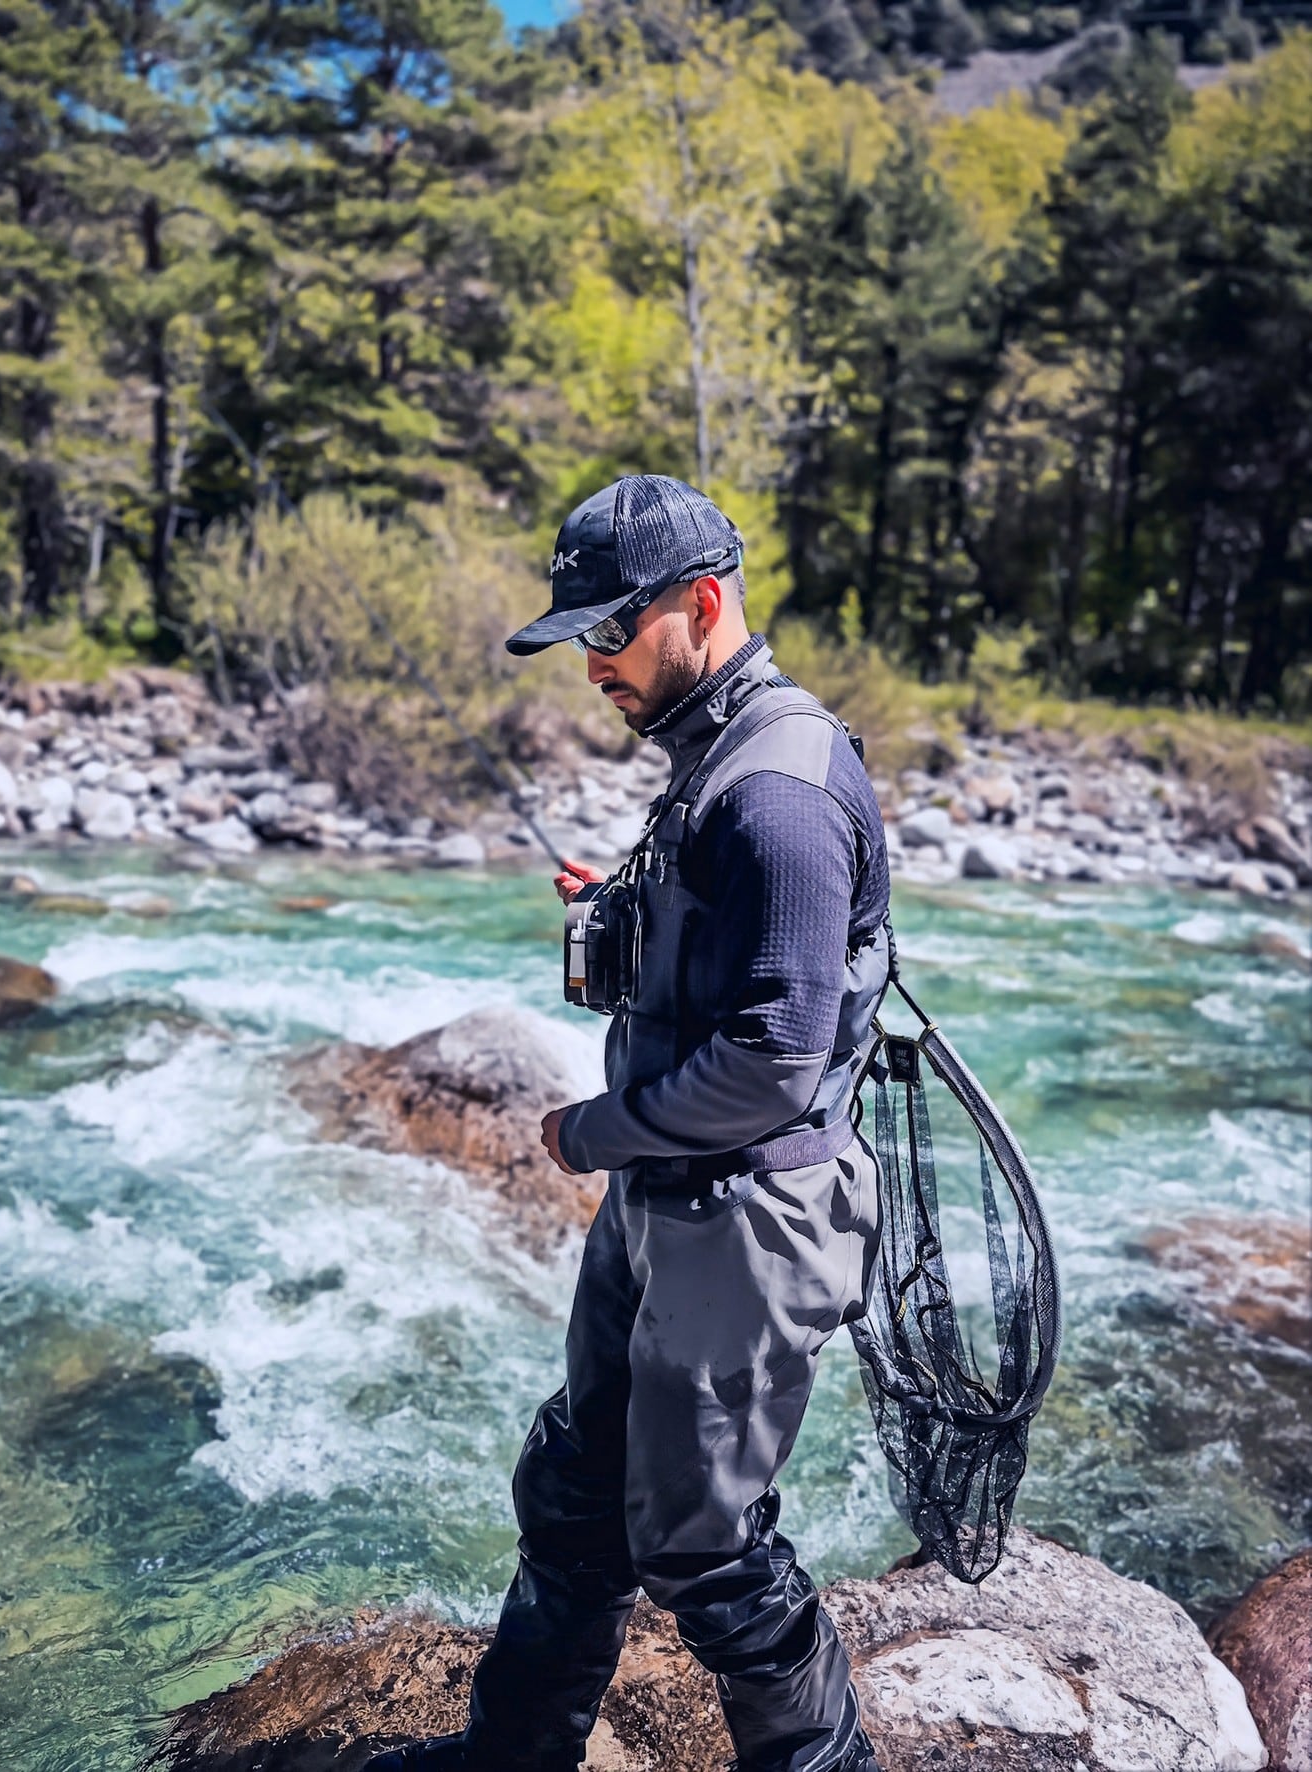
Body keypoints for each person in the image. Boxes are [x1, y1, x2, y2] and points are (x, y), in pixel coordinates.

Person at [368, 475, 892, 1772]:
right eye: (579, 639)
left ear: (700, 608)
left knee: (705, 1550)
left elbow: (777, 1057)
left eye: (609, 634)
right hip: (670, 1196)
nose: (589, 665)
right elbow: (728, 942)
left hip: (749, 1215)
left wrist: (591, 1133)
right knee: (577, 1488)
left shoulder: (778, 788)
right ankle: (515, 1755)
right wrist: (623, 902)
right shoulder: (717, 756)